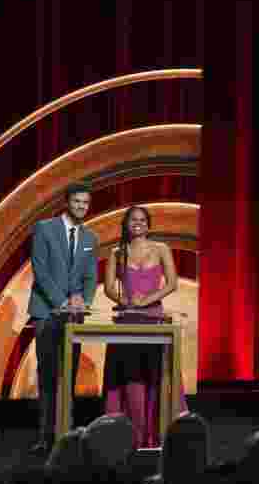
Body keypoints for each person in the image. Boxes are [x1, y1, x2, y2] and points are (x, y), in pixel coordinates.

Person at [27, 182, 98, 457]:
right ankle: (44, 438)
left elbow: (91, 277)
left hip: (74, 316)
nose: (81, 207)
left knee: (68, 375)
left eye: (85, 203)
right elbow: (40, 270)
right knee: (47, 376)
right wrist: (63, 302)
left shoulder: (90, 237)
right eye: (77, 202)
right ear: (67, 202)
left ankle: (65, 436)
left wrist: (85, 300)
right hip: (47, 312)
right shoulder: (45, 228)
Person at [103, 205, 184, 448]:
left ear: (148, 224)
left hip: (155, 318)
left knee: (157, 375)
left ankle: (160, 436)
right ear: (126, 225)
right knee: (131, 378)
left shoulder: (161, 249)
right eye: (133, 220)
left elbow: (172, 284)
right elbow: (108, 288)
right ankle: (131, 436)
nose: (137, 223)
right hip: (128, 319)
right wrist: (127, 301)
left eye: (142, 220)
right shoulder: (117, 252)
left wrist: (146, 301)